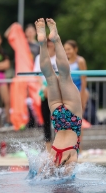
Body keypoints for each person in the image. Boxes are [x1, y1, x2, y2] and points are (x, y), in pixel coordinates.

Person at [35, 18, 82, 166]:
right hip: (58, 118)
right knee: (50, 76)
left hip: (73, 118)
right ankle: (43, 43)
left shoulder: (71, 159)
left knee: (64, 76)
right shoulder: (52, 160)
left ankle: (55, 39)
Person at [34, 38, 57, 152]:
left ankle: (58, 145)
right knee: (46, 120)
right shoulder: (39, 57)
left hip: (57, 90)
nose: (49, 44)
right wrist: (44, 86)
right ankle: (48, 148)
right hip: (45, 90)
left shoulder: (58, 57)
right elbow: (37, 74)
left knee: (58, 118)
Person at [64, 40, 89, 114]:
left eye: (69, 49)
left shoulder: (80, 61)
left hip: (80, 89)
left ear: (75, 49)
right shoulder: (66, 63)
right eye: (65, 49)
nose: (67, 52)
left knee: (79, 114)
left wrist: (82, 93)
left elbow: (84, 79)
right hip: (70, 91)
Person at [0, 32, 11, 127]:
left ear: (0, 40)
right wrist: (1, 65)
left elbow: (7, 65)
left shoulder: (3, 52)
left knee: (7, 100)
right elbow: (4, 65)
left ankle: (8, 121)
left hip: (2, 78)